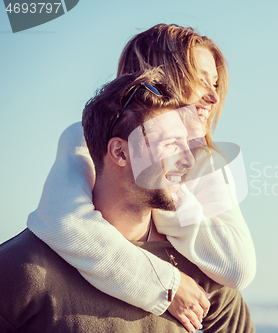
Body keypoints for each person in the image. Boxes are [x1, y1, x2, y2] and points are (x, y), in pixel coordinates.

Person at [25, 24, 256, 331]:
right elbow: (63, 222)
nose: (213, 97)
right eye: (201, 81)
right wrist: (167, 286)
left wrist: (167, 194)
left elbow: (237, 268)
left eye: (215, 83)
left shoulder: (206, 159)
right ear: (157, 76)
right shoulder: (86, 137)